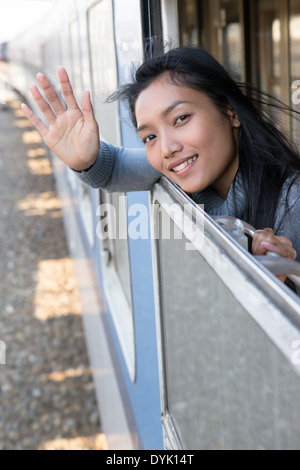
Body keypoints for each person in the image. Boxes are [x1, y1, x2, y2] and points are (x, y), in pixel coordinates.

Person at [21, 46, 300, 273]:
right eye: (149, 137)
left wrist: (284, 280)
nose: (166, 148)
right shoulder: (181, 163)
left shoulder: (292, 199)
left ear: (231, 113)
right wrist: (85, 160)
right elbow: (114, 168)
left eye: (181, 118)